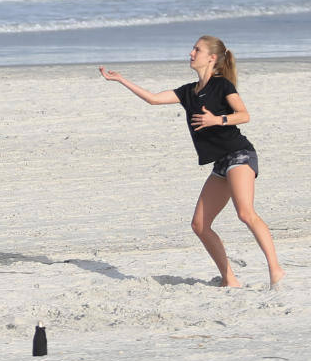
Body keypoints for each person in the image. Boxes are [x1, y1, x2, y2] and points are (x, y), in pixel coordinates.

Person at [99, 35, 284, 289]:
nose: (191, 53)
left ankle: (276, 271)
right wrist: (120, 80)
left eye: (197, 49)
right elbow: (153, 99)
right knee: (199, 225)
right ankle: (230, 278)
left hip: (239, 154)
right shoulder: (188, 92)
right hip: (220, 164)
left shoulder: (223, 86)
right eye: (192, 49)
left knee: (245, 213)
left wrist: (217, 120)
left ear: (212, 58)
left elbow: (244, 115)